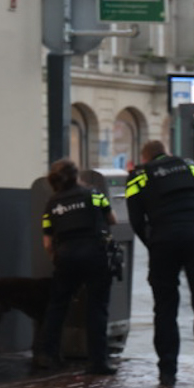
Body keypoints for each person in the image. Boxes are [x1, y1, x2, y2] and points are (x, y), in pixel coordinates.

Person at [126, 138, 194, 388]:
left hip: (163, 241)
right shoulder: (190, 166)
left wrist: (152, 242)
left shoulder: (138, 176)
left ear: (145, 157)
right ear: (167, 153)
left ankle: (167, 373)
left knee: (165, 308)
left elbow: (136, 220)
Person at [36, 159, 117, 376]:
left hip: (66, 257)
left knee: (57, 306)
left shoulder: (52, 204)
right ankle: (98, 362)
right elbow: (113, 219)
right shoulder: (94, 194)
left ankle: (48, 356)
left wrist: (56, 258)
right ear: (77, 176)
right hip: (95, 255)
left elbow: (47, 241)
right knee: (96, 308)